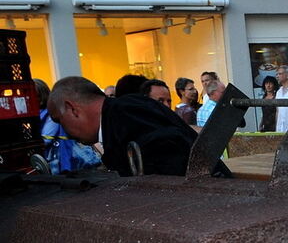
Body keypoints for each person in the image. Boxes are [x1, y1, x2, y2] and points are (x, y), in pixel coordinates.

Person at [46, 76, 224, 177]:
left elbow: (169, 168)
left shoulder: (126, 117)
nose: (65, 132)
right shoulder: (124, 112)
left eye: (59, 120)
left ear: (72, 109)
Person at [34, 78, 101, 175]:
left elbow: (46, 139)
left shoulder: (51, 115)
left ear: (41, 96)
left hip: (61, 159)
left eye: (35, 96)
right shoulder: (39, 115)